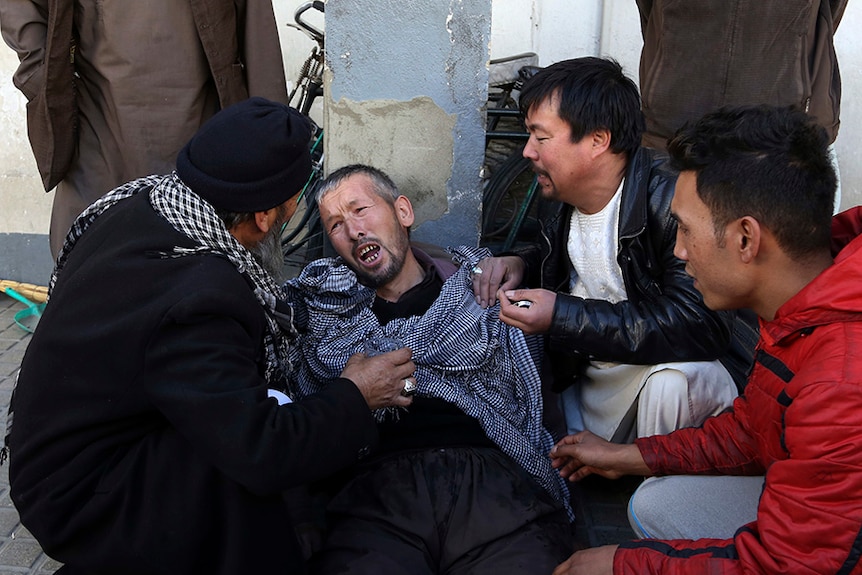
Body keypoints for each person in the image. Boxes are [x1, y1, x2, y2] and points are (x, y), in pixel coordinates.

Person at [6, 98, 416, 575]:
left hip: (70, 444)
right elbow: (262, 449)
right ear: (264, 218)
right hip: (79, 493)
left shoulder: (145, 204)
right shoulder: (202, 295)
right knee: (243, 485)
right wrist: (356, 394)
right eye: (299, 205)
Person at [549, 104, 862, 575]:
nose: (677, 250)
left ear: (745, 240)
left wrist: (622, 566)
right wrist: (629, 456)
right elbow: (753, 430)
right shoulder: (804, 306)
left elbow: (789, 567)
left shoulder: (838, 382)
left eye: (686, 230)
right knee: (658, 503)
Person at [283, 164, 573, 575]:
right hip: (379, 496)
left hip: (491, 486)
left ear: (403, 212)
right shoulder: (327, 317)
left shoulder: (479, 292)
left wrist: (522, 261)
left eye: (360, 209)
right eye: (335, 225)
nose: (353, 230)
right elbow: (301, 416)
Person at [472, 57, 741, 443]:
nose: (528, 151)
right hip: (583, 377)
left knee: (682, 380)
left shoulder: (673, 199)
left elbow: (699, 323)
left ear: (598, 140)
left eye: (541, 137)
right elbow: (579, 262)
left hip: (650, 380)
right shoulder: (559, 193)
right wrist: (521, 264)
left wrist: (561, 315)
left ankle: (656, 498)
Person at [0, 0, 289, 258]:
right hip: (101, 129)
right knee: (97, 268)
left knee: (203, 275)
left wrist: (274, 152)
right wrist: (45, 76)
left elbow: (257, 32)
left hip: (202, 131)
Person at [635, 0, 847, 208]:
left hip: (785, 132)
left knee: (779, 237)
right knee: (670, 233)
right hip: (674, 125)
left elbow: (828, 12)